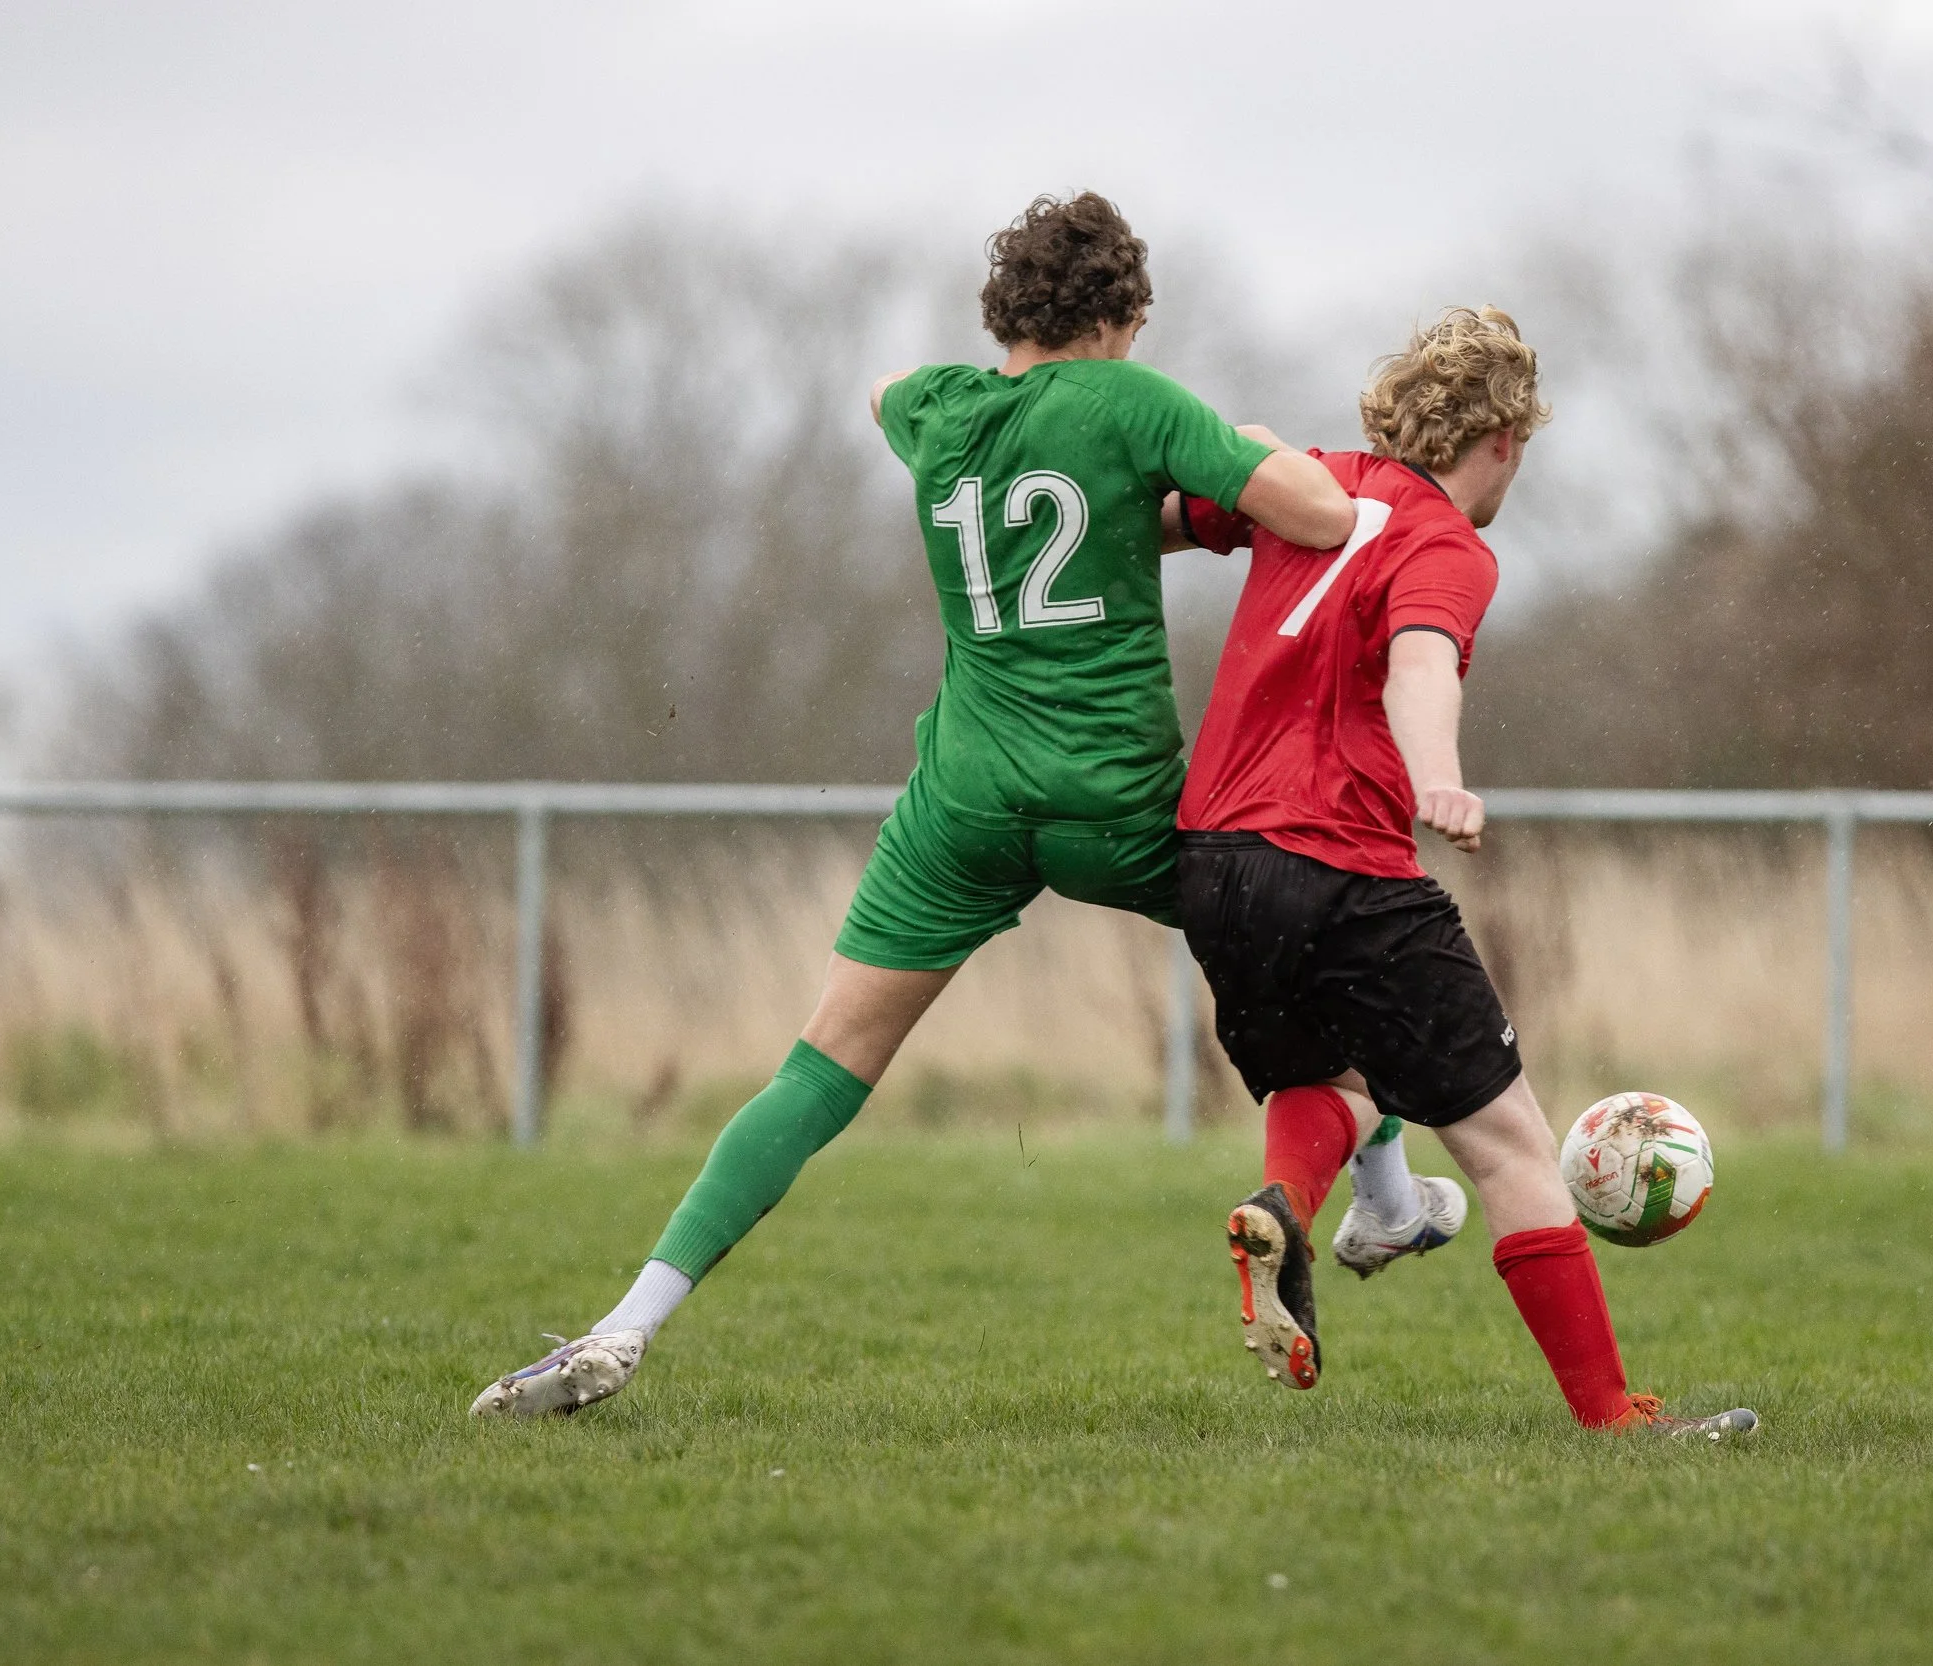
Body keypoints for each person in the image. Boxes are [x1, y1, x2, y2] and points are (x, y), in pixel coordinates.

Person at [472, 192, 1355, 1418]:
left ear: (1005, 312)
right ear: (1121, 318)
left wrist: (1124, 511)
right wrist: (1244, 461)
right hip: (1120, 805)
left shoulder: (932, 410)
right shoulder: (1129, 400)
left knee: (824, 1061)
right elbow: (1320, 513)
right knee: (1330, 959)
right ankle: (1390, 1192)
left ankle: (626, 1324)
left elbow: (890, 393)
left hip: (965, 801)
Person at [1167, 307, 1758, 1435]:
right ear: (1503, 443)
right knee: (1512, 1146)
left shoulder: (1308, 481)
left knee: (1332, 1073)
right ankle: (1613, 1418)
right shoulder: (1446, 543)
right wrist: (1437, 773)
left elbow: (1156, 515)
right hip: (1341, 862)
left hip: (1217, 867)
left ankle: (1280, 1209)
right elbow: (1421, 661)